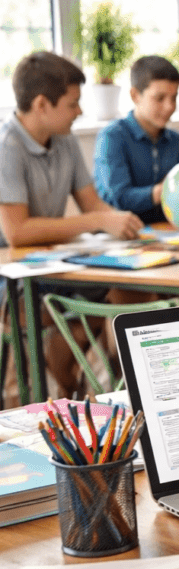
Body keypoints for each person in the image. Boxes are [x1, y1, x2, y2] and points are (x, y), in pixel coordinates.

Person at [0, 51, 145, 395]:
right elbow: (16, 233)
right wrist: (96, 220)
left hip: (50, 265)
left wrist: (118, 223)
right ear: (41, 104)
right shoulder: (6, 147)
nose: (80, 111)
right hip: (10, 276)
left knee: (123, 289)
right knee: (71, 308)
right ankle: (67, 383)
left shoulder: (63, 138)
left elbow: (92, 203)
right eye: (73, 103)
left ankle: (81, 386)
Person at [94, 55, 179, 223]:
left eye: (174, 98)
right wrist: (165, 190)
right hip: (120, 237)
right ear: (135, 95)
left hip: (167, 235)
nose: (170, 107)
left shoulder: (176, 141)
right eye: (159, 98)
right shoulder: (112, 137)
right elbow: (120, 198)